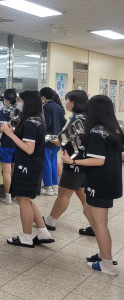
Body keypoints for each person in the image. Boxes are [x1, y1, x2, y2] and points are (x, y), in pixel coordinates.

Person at [62, 95, 123, 275]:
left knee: (100, 224)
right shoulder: (115, 130)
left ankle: (107, 264)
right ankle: (104, 253)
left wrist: (72, 162)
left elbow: (98, 161)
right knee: (88, 210)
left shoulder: (97, 131)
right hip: (108, 180)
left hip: (100, 181)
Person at [1, 90, 55, 248]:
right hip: (32, 164)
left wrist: (10, 134)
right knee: (26, 199)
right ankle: (43, 231)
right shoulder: (37, 119)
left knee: (22, 200)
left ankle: (26, 236)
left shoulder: (31, 122)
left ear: (27, 102)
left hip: (28, 165)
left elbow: (29, 148)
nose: (19, 103)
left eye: (20, 100)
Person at [44, 90, 93, 235]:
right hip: (85, 161)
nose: (65, 102)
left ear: (73, 102)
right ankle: (96, 225)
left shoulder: (77, 119)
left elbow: (62, 140)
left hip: (74, 162)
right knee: (82, 193)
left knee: (64, 193)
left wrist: (52, 139)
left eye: (66, 99)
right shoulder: (88, 117)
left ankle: (50, 221)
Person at [40, 87, 66, 195]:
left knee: (47, 163)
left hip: (48, 139)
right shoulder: (59, 107)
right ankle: (55, 186)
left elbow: (48, 123)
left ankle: (48, 187)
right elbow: (64, 121)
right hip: (57, 138)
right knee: (54, 162)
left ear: (44, 97)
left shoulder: (46, 107)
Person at [0, 89, 21, 205]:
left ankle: (8, 197)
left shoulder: (4, 110)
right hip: (18, 143)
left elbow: (2, 128)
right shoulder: (21, 110)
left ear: (6, 99)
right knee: (15, 170)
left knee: (7, 172)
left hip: (6, 143)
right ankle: (17, 196)